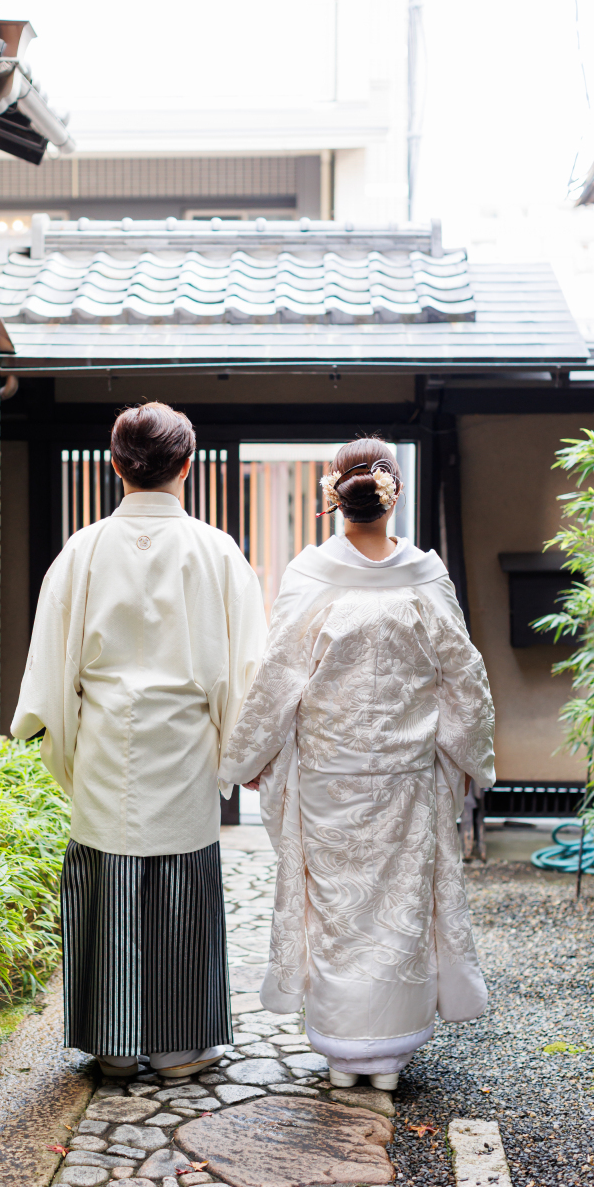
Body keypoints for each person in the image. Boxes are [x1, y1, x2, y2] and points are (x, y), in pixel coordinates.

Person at [219, 437, 495, 1092]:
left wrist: (249, 758)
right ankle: (391, 1055)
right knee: (399, 910)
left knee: (337, 912)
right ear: (390, 494)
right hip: (405, 781)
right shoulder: (424, 576)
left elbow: (277, 678)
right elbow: (466, 679)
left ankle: (343, 1054)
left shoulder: (311, 574)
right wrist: (472, 760)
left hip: (329, 780)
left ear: (333, 497)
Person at [11, 402, 267, 1080]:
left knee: (111, 884)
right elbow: (247, 668)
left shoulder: (85, 549)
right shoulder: (216, 551)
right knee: (180, 884)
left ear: (116, 465)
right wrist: (243, 752)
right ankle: (181, 1048)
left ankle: (115, 1045)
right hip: (183, 739)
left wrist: (59, 730)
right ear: (187, 466)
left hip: (104, 739)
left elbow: (49, 662)